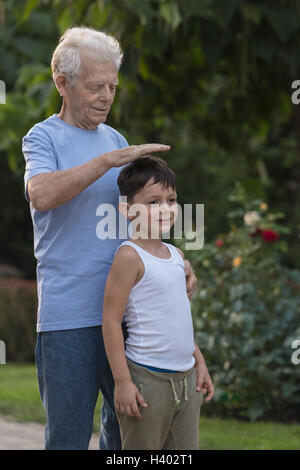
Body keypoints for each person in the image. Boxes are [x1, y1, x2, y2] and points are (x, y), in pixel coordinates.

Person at [22, 26, 198, 450]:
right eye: (96, 86)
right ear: (63, 84)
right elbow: (41, 194)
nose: (106, 96)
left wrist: (173, 263)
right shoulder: (43, 137)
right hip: (70, 320)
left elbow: (140, 227)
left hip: (126, 319)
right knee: (67, 439)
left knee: (124, 438)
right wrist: (105, 162)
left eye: (113, 86)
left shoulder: (115, 139)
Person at [102, 156, 214, 450]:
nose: (165, 208)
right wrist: (123, 382)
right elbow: (111, 321)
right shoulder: (129, 256)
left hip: (187, 381)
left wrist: (198, 362)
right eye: (153, 202)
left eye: (171, 199)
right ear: (127, 210)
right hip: (147, 380)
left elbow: (177, 318)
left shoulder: (177, 256)